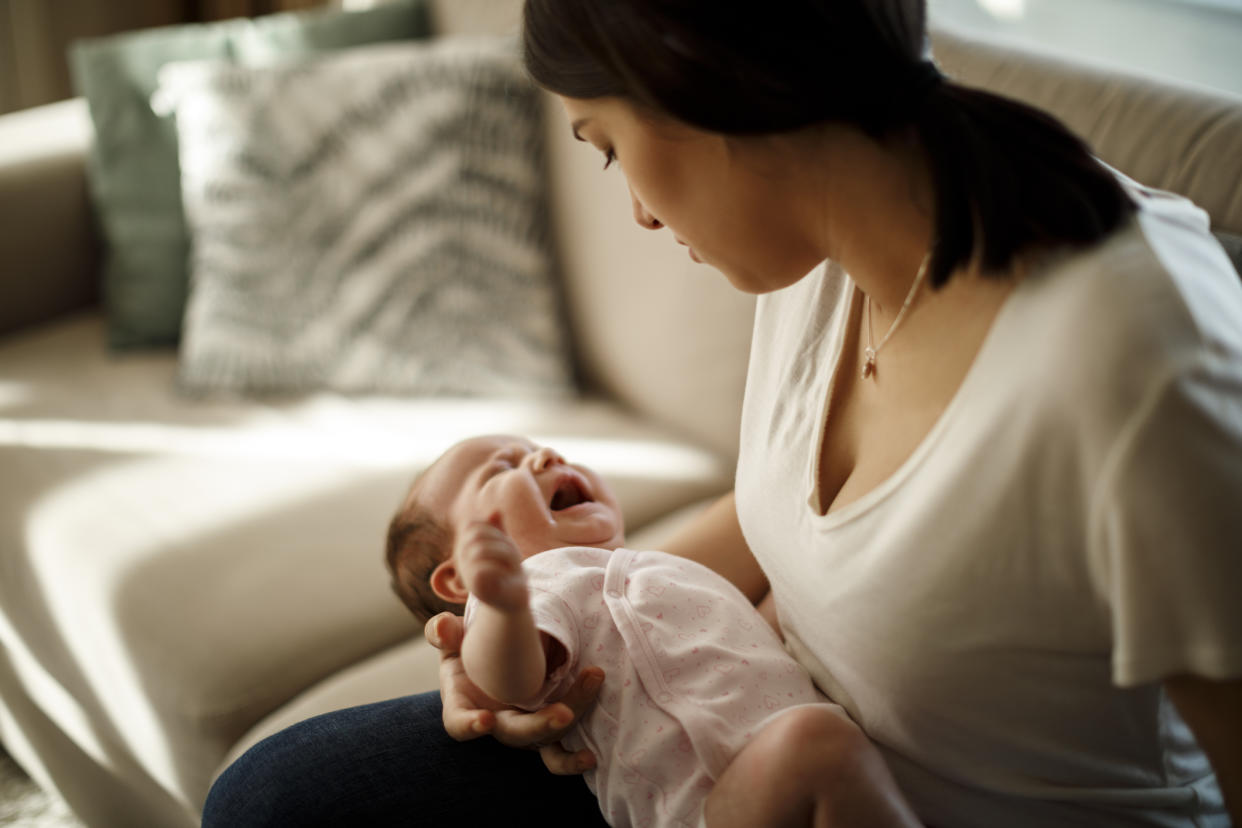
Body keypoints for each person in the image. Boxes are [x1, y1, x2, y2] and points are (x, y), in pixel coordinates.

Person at [203, 0, 1242, 825]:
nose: (642, 213)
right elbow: (816, 520)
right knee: (275, 795)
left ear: (693, 78)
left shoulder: (1133, 355)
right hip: (752, 761)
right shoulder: (814, 245)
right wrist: (517, 637)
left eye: (606, 145)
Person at [383, 433, 920, 828]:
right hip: (702, 807)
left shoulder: (655, 573)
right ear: (458, 576)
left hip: (774, 784)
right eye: (503, 468)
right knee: (816, 744)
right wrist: (500, 605)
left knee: (823, 750)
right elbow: (514, 682)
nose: (547, 456)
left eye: (543, 449)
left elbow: (754, 637)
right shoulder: (535, 586)